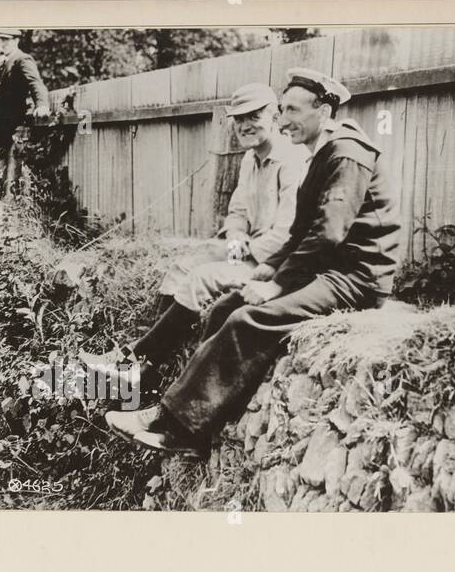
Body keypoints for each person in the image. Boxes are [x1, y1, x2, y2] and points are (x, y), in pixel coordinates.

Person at [105, 67, 403, 454]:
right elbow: (299, 232)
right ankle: (185, 424)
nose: (284, 120)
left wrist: (277, 284)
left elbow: (330, 233)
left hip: (357, 278)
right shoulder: (320, 154)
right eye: (283, 109)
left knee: (250, 319)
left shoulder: (347, 152)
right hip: (328, 269)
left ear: (324, 112)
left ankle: (178, 428)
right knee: (225, 309)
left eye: (293, 110)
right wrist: (270, 265)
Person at [79, 82, 305, 389]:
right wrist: (235, 244)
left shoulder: (291, 160)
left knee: (202, 277)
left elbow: (287, 234)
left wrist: (241, 255)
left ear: (274, 115)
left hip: (274, 261)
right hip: (248, 249)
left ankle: (135, 360)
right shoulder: (250, 160)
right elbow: (237, 212)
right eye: (239, 119)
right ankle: (146, 364)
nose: (245, 125)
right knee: (185, 264)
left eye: (254, 116)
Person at [0, 29, 50, 193]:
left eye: (6, 39)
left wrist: (41, 105)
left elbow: (36, 84)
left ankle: (7, 206)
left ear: (16, 40)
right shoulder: (1, 62)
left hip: (11, 125)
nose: (2, 43)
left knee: (11, 170)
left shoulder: (22, 59)